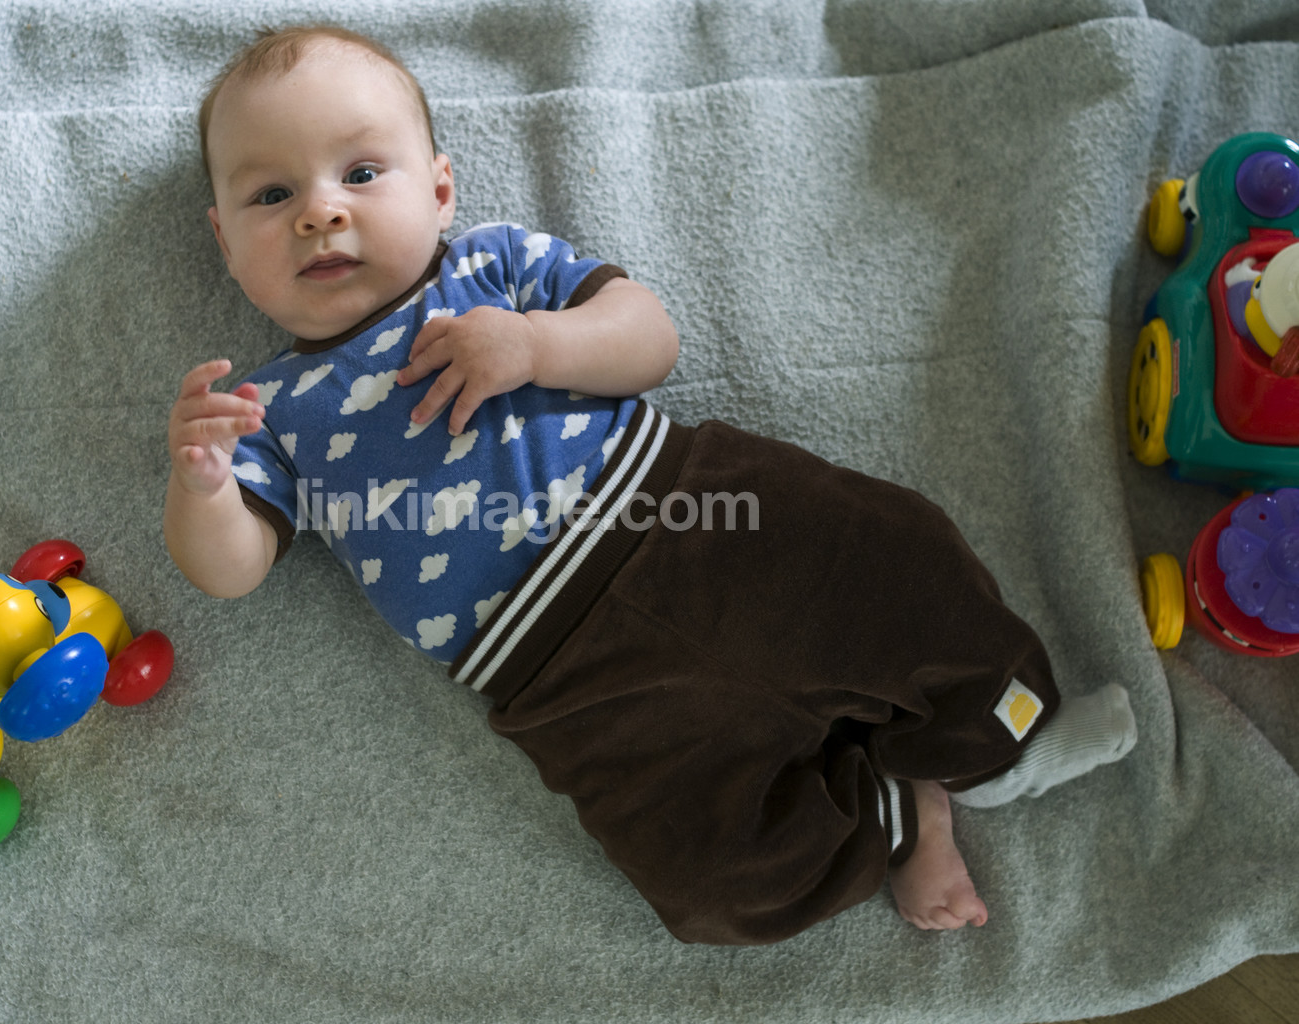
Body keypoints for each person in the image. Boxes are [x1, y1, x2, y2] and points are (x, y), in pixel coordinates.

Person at [164, 23, 1138, 945]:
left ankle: (999, 736)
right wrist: (203, 487)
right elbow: (229, 570)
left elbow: (648, 339)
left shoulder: (492, 267)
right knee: (709, 878)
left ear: (441, 188)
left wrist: (535, 343)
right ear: (222, 242)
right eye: (271, 196)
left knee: (894, 559)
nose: (321, 212)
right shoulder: (268, 410)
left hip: (690, 512)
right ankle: (895, 813)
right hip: (559, 675)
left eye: (362, 173)